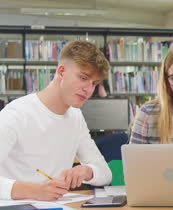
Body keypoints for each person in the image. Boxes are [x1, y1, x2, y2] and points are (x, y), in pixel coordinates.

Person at [0, 40, 112, 201]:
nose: (88, 90)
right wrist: (35, 191)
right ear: (61, 71)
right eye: (83, 77)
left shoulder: (75, 116)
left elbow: (105, 173)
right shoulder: (16, 115)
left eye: (94, 83)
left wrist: (87, 171)